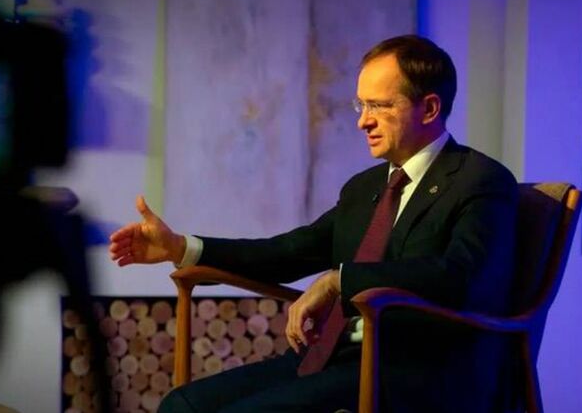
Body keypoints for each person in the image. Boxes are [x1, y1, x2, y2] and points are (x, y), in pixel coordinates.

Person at [110, 35, 518, 412]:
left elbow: (463, 278)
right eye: (362, 106)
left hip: (415, 370)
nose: (363, 121)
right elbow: (288, 252)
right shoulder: (365, 187)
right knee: (181, 406)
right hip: (332, 356)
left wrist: (341, 281)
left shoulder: (480, 180)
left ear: (429, 108)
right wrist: (182, 247)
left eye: (379, 106)